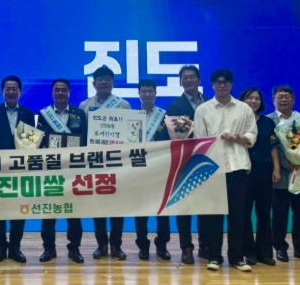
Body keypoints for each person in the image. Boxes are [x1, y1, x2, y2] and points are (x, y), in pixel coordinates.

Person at [194, 69, 257, 272]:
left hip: (238, 166)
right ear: (212, 85)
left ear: (231, 84)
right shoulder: (203, 109)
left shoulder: (243, 108)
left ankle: (237, 258)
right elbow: (199, 140)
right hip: (213, 169)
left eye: (226, 82)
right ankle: (214, 257)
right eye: (218, 82)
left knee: (237, 215)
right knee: (214, 215)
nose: (222, 85)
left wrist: (236, 137)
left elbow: (252, 135)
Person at [155, 64, 209, 264]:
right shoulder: (174, 107)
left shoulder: (210, 103)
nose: (188, 80)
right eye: (184, 78)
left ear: (199, 80)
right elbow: (169, 137)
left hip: (207, 160)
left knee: (205, 206)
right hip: (184, 162)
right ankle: (186, 248)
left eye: (192, 77)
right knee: (184, 207)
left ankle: (205, 245)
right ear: (180, 82)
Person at [0, 75, 35, 263]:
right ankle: (0, 247)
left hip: (20, 171)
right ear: (2, 91)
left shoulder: (28, 114)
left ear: (20, 91)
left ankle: (15, 247)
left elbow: (31, 145)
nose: (11, 92)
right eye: (8, 88)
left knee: (19, 209)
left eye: (14, 89)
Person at [79, 66, 131, 260]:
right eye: (100, 79)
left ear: (113, 83)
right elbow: (81, 136)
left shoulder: (123, 105)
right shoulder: (84, 106)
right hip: (95, 163)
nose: (103, 82)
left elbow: (131, 134)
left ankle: (116, 245)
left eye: (107, 79)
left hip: (118, 163)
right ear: (93, 83)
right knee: (98, 205)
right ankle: (101, 244)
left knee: (118, 206)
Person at [36, 78, 87, 264]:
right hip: (51, 170)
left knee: (74, 212)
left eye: (63, 90)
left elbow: (85, 141)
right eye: (57, 90)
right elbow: (39, 140)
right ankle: (49, 248)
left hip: (73, 170)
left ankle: (74, 248)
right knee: (49, 211)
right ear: (52, 93)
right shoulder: (44, 114)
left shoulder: (79, 114)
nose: (60, 93)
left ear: (69, 92)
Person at [267, 85, 300, 263]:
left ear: (293, 100)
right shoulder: (268, 121)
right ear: (273, 100)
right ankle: (280, 248)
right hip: (280, 175)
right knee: (279, 215)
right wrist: (284, 162)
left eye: (287, 97)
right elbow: (269, 146)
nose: (283, 100)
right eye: (279, 97)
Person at [239, 87, 281, 266]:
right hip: (244, 170)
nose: (253, 101)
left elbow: (273, 147)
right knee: (244, 212)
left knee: (264, 212)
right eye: (249, 98)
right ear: (242, 101)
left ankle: (265, 252)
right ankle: (249, 252)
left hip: (264, 170)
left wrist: (276, 168)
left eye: (257, 98)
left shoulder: (267, 122)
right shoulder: (238, 122)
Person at [133, 80, 171, 262]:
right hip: (138, 168)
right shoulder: (131, 116)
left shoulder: (165, 117)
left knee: (162, 210)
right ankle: (143, 246)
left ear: (156, 93)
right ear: (139, 93)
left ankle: (162, 245)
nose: (147, 94)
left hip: (160, 168)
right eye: (144, 91)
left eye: (150, 91)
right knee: (141, 210)